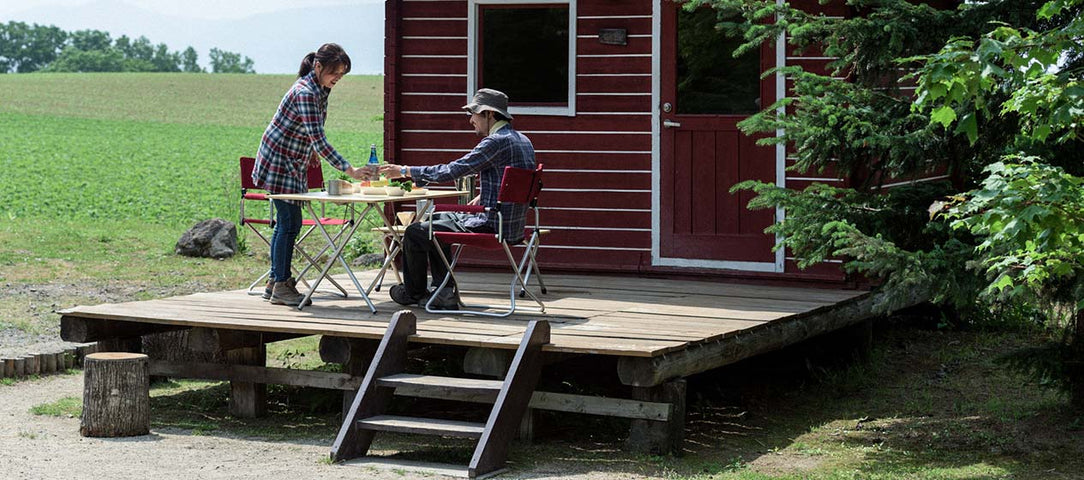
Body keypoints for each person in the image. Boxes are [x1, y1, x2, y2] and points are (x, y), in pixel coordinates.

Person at [379, 88, 536, 309]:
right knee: (437, 220)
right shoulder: (523, 141)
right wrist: (486, 194)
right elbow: (516, 180)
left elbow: (453, 170)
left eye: (474, 113)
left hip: (491, 224)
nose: (471, 120)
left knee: (416, 231)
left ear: (489, 114)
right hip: (513, 226)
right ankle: (444, 291)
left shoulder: (496, 142)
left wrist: (406, 171)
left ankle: (414, 292)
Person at [252, 43, 373, 306]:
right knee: (289, 223)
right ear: (318, 67)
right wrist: (350, 170)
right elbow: (319, 139)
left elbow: (308, 133)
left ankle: (275, 281)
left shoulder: (320, 89)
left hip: (291, 160)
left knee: (288, 222)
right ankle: (282, 285)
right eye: (334, 73)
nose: (337, 79)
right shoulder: (305, 92)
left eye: (341, 75)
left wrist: (309, 150)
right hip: (280, 162)